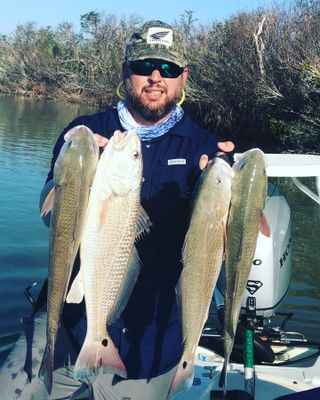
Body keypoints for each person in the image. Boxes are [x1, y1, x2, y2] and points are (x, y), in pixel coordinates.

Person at [3, 20, 234, 400]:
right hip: (68, 323)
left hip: (151, 344)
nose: (156, 77)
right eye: (144, 66)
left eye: (169, 69)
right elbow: (49, 215)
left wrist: (226, 182)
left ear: (183, 78)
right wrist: (80, 174)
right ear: (127, 72)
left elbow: (221, 235)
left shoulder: (205, 148)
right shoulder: (83, 132)